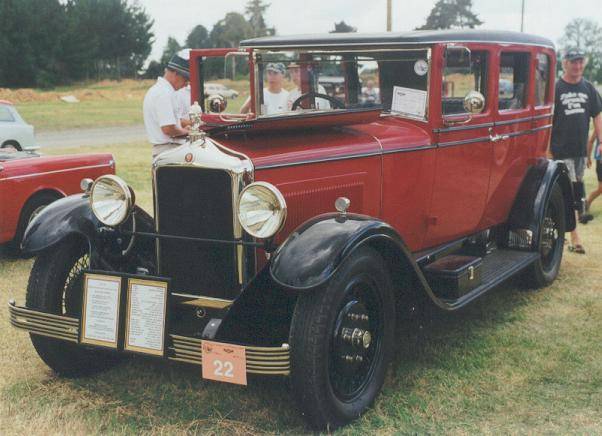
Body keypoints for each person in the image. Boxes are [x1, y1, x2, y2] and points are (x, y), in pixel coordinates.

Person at [550, 48, 602, 254]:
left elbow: (598, 115)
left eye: (580, 62)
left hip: (579, 151)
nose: (577, 66)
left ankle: (565, 233)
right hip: (559, 150)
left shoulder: (588, 88)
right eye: (573, 62)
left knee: (576, 192)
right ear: (564, 64)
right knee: (567, 193)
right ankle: (573, 237)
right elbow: (547, 120)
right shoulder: (555, 89)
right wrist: (547, 149)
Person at [143, 49, 190, 158]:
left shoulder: (161, 90)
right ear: (175, 74)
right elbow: (168, 128)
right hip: (169, 150)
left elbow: (173, 122)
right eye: (186, 79)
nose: (186, 84)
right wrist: (186, 131)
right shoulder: (163, 94)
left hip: (167, 150)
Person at [586, 133, 602, 212]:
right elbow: (591, 141)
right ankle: (587, 202)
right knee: (601, 188)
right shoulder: (599, 124)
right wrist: (588, 157)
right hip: (601, 161)